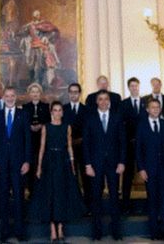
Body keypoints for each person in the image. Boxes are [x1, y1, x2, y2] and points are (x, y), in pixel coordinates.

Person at [29, 101, 85, 242]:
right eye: (55, 110)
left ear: (62, 112)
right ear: (51, 112)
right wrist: (39, 167)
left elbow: (70, 147)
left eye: (60, 110)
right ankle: (52, 228)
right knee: (50, 194)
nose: (58, 112)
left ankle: (60, 227)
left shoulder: (67, 127)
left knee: (61, 194)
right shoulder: (46, 127)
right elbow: (41, 148)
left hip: (63, 162)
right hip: (49, 161)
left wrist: (72, 163)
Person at [0, 87, 32, 242]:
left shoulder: (23, 115)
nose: (10, 98)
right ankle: (4, 231)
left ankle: (20, 231)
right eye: (7, 95)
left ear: (16, 97)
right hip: (0, 165)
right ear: (3, 97)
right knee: (3, 199)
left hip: (19, 164)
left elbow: (28, 140)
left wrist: (27, 161)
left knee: (19, 198)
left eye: (12, 95)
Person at [83, 92, 126, 240]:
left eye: (106, 99)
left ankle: (116, 232)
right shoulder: (90, 118)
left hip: (114, 164)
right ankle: (97, 232)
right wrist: (88, 164)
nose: (103, 102)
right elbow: (86, 144)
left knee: (114, 197)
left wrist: (122, 162)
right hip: (95, 165)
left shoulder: (117, 117)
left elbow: (122, 142)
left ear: (109, 101)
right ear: (96, 101)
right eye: (100, 99)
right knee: (96, 198)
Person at [136, 98, 164, 240]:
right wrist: (141, 169)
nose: (155, 109)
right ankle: (153, 231)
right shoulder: (142, 126)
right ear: (147, 109)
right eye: (152, 107)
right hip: (149, 169)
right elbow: (138, 149)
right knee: (152, 200)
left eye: (157, 107)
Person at [119, 77, 144, 211]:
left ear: (139, 87)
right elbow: (121, 126)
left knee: (147, 172)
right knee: (127, 175)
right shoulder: (123, 104)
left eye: (136, 86)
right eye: (132, 86)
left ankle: (150, 202)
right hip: (129, 144)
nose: (134, 88)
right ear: (129, 88)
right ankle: (126, 204)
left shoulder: (146, 102)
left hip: (144, 145)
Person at [62, 83, 90, 203]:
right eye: (71, 92)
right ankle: (73, 204)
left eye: (76, 92)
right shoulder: (63, 109)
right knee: (70, 177)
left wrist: (81, 139)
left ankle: (88, 205)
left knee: (86, 178)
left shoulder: (87, 110)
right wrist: (69, 141)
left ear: (79, 93)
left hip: (84, 148)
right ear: (68, 94)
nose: (73, 94)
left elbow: (89, 129)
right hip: (68, 148)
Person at [22, 83, 50, 193]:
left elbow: (48, 122)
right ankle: (31, 190)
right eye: (33, 92)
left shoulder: (46, 106)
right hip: (29, 141)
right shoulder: (25, 107)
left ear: (40, 93)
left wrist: (41, 126)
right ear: (29, 94)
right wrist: (30, 126)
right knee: (31, 164)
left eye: (37, 92)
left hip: (42, 140)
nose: (35, 94)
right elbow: (23, 124)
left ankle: (42, 190)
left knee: (42, 164)